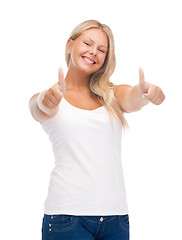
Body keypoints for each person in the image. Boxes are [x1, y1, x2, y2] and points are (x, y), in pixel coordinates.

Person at [29, 19, 165, 240]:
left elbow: (131, 98)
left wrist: (144, 94)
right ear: (69, 45)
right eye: (88, 43)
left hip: (116, 219)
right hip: (67, 218)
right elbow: (37, 108)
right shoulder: (52, 96)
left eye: (102, 50)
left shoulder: (111, 95)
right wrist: (47, 100)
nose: (94, 52)